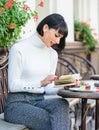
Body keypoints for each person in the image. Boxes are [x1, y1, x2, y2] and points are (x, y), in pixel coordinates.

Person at [4, 13, 71, 130]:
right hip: (16, 105)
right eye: (56, 35)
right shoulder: (19, 49)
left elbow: (47, 88)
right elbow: (13, 85)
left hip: (38, 101)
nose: (58, 41)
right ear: (45, 28)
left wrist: (64, 85)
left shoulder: (52, 54)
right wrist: (40, 83)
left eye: (60, 38)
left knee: (62, 104)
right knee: (53, 120)